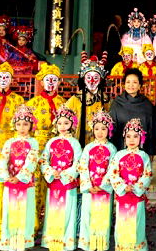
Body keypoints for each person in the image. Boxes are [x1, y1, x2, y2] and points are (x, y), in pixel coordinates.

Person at [0, 62, 26, 233]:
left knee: (9, 183)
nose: (3, 80)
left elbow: (24, 125)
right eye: (1, 77)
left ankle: (7, 223)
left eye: (7, 77)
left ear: (12, 80)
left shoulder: (18, 100)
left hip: (11, 148)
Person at [27, 63, 68, 228]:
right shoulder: (33, 103)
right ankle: (33, 224)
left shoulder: (64, 103)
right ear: (42, 82)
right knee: (36, 186)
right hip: (37, 146)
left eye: (54, 80)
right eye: (47, 80)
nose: (51, 83)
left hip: (58, 150)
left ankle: (53, 226)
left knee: (55, 186)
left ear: (59, 82)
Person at [0, 105, 39, 251]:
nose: (22, 127)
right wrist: (7, 176)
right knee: (10, 211)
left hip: (25, 182)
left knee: (25, 212)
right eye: (19, 124)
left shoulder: (34, 142)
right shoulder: (9, 142)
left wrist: (20, 176)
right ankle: (9, 242)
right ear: (14, 125)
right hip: (10, 181)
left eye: (25, 124)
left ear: (31, 125)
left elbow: (31, 160)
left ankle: (22, 243)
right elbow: (3, 159)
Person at [106, 118, 152, 251]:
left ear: (141, 138)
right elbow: (113, 173)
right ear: (124, 138)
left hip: (137, 195)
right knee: (122, 222)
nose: (132, 140)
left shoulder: (144, 156)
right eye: (128, 136)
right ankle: (123, 247)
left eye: (135, 136)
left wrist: (136, 187)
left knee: (137, 223)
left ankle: (138, 247)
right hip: (123, 194)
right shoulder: (119, 155)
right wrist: (122, 186)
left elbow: (147, 174)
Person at [41, 106, 82, 251]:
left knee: (67, 212)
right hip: (54, 181)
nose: (62, 126)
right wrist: (51, 172)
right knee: (53, 211)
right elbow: (44, 160)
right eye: (59, 123)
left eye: (66, 123)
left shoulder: (75, 143)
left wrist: (64, 174)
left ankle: (66, 242)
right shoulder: (51, 142)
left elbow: (78, 163)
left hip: (67, 182)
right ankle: (52, 240)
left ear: (72, 124)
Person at [77, 111, 117, 251]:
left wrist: (103, 184)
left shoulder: (112, 148)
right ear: (92, 130)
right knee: (88, 215)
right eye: (97, 128)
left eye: (103, 128)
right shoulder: (88, 147)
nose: (100, 132)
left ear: (109, 130)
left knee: (102, 217)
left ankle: (100, 244)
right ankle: (87, 244)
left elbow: (113, 168)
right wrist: (88, 184)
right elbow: (82, 166)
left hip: (103, 189)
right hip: (90, 188)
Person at [109, 67, 156, 156]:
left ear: (139, 85)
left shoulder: (146, 104)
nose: (131, 85)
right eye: (128, 82)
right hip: (120, 150)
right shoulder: (117, 103)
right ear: (124, 84)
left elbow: (151, 129)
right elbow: (112, 129)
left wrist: (151, 152)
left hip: (142, 151)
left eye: (134, 82)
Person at [64, 53, 110, 144]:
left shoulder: (105, 99)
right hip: (79, 140)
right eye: (88, 77)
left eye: (95, 78)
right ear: (84, 79)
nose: (92, 81)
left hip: (100, 140)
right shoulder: (75, 99)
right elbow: (64, 119)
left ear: (100, 79)